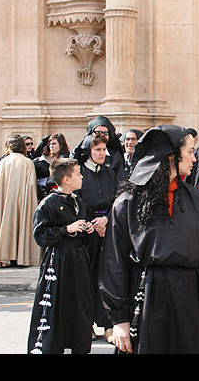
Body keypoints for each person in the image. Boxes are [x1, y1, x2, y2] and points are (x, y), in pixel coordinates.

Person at [98, 125, 199, 354]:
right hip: (148, 298)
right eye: (191, 151)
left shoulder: (196, 200)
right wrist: (119, 319)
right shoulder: (127, 203)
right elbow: (113, 264)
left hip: (191, 299)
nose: (195, 158)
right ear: (172, 156)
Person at [27, 158, 94, 354]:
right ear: (66, 179)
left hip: (78, 259)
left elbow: (82, 221)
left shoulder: (76, 200)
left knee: (79, 303)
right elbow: (40, 235)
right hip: (58, 260)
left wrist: (86, 227)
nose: (82, 177)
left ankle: (78, 345)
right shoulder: (49, 203)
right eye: (78, 174)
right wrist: (66, 230)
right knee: (55, 304)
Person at [72, 133, 118, 342]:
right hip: (86, 232)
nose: (101, 153)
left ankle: (108, 323)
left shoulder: (110, 173)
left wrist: (106, 220)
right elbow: (77, 201)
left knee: (107, 277)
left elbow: (118, 199)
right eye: (97, 150)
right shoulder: (79, 173)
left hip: (107, 230)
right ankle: (87, 323)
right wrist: (93, 223)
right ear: (89, 151)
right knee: (86, 278)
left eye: (103, 150)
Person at [0, 134, 41, 268]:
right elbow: (31, 186)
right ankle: (22, 256)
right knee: (22, 221)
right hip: (22, 201)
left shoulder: (3, 162)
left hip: (5, 202)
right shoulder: (27, 162)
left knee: (5, 222)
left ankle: (5, 255)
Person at [33, 133, 70, 202]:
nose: (51, 146)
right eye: (50, 144)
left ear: (61, 145)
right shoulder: (57, 157)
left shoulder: (64, 158)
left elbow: (54, 178)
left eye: (54, 144)